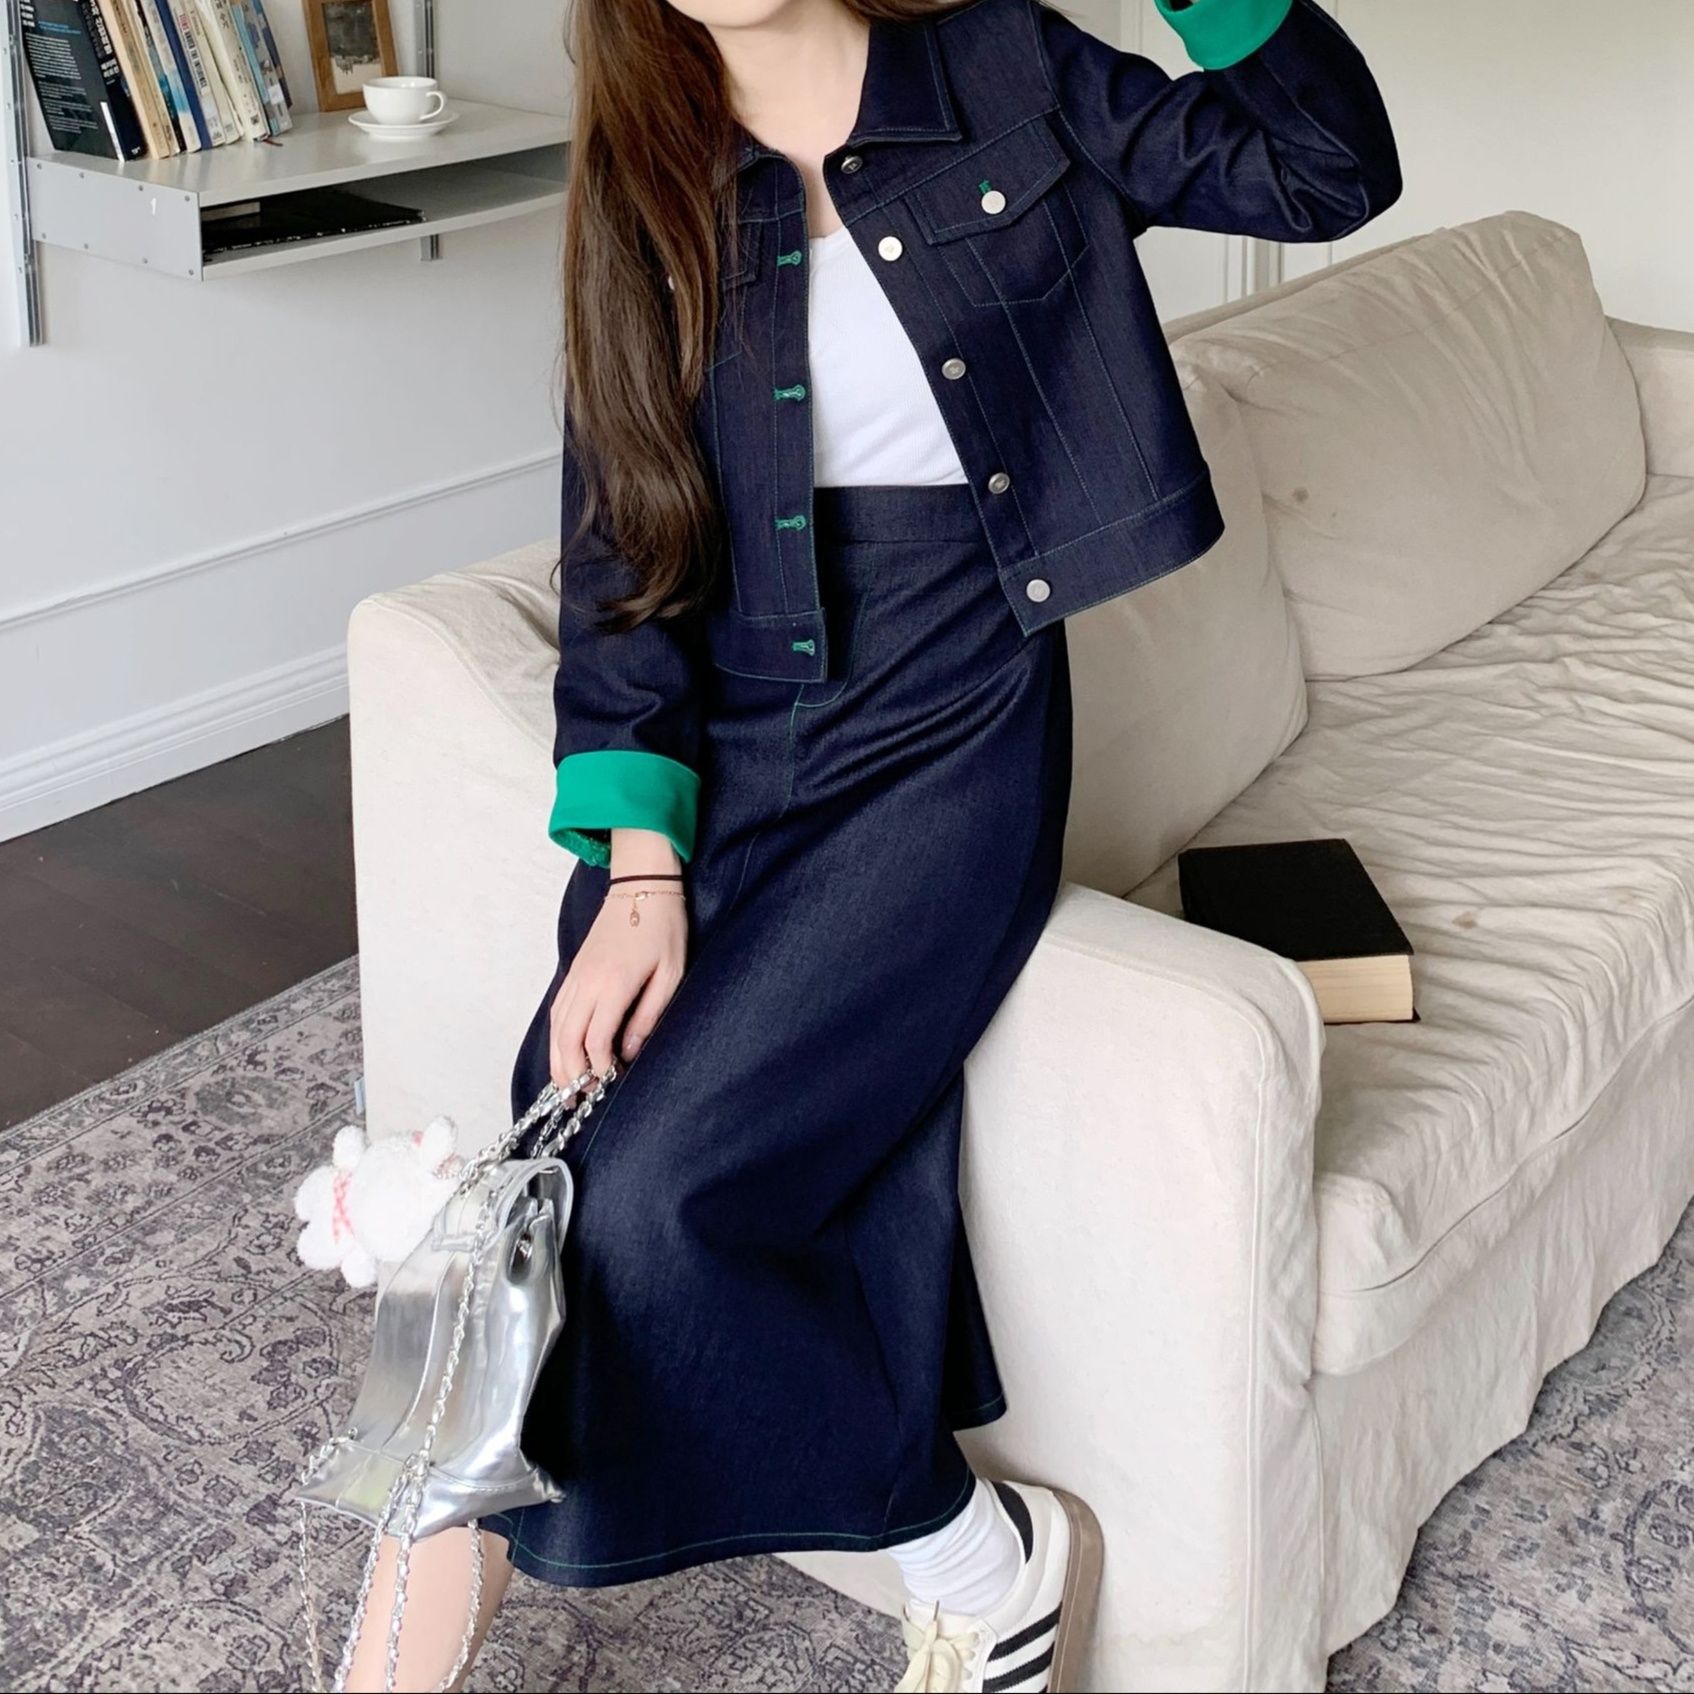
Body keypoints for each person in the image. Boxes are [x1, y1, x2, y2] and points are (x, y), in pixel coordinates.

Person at [338, 1, 1397, 1688]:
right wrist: (639, 867)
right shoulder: (645, 163)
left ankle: (976, 1557)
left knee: (655, 1200)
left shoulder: (1004, 65)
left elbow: (1325, 171)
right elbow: (621, 537)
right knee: (537, 1190)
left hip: (950, 715)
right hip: (720, 724)